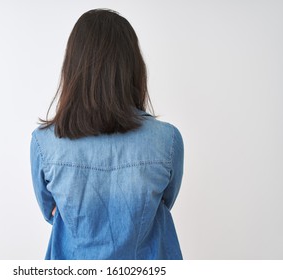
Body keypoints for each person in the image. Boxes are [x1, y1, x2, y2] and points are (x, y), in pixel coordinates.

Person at [30, 8, 184, 260]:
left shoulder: (44, 143)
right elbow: (164, 200)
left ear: (72, 67)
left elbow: (52, 212)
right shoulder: (167, 140)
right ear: (133, 68)